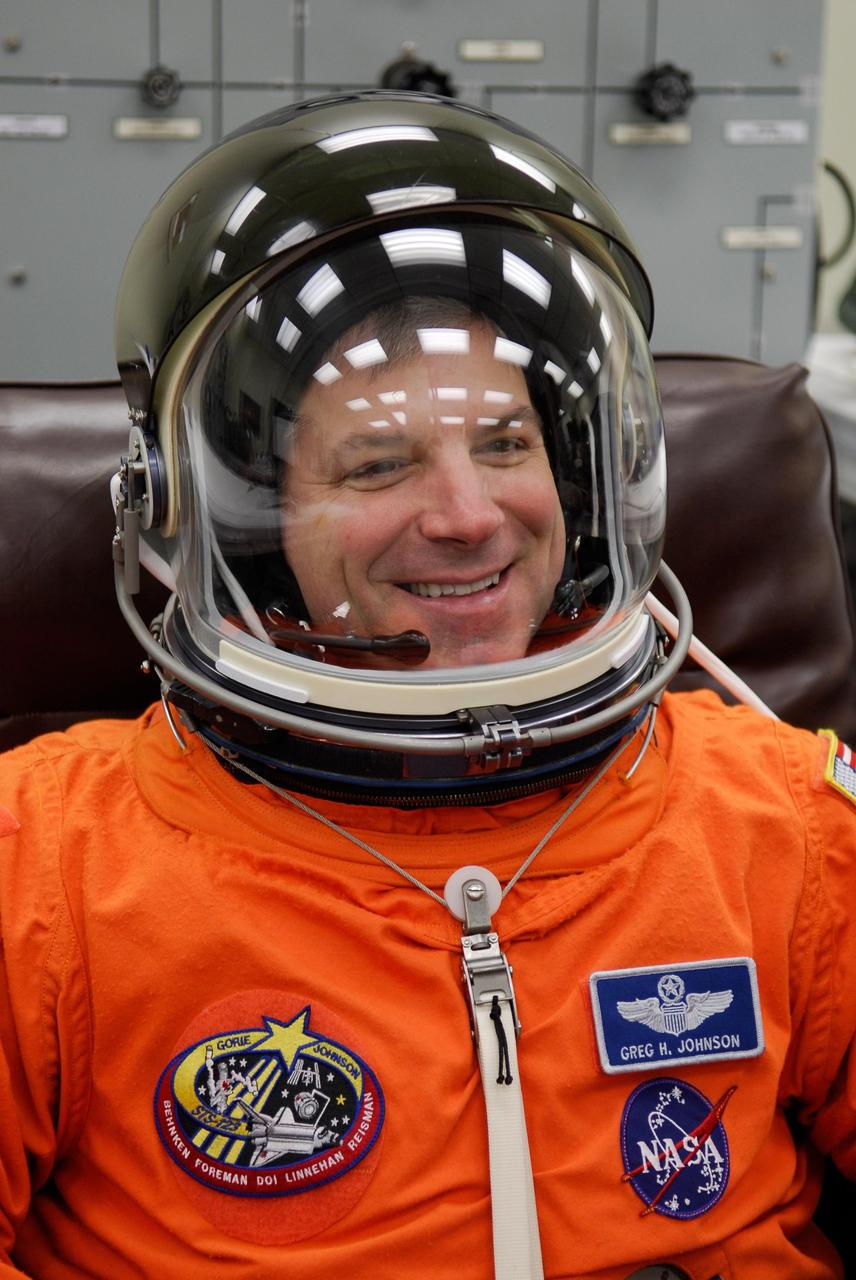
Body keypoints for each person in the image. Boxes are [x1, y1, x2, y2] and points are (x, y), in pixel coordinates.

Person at [0, 91, 854, 1280]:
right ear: (246, 530)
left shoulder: (786, 825)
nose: (467, 516)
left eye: (504, 444)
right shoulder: (43, 868)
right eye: (378, 461)